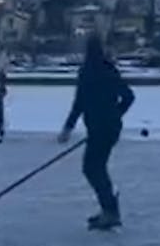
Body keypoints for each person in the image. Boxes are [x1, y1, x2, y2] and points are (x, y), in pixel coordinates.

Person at [58, 35, 135, 231]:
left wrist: (68, 128)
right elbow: (128, 96)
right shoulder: (109, 69)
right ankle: (109, 208)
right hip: (109, 129)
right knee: (97, 167)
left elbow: (79, 103)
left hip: (99, 129)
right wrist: (115, 115)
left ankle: (110, 210)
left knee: (93, 168)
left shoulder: (87, 72)